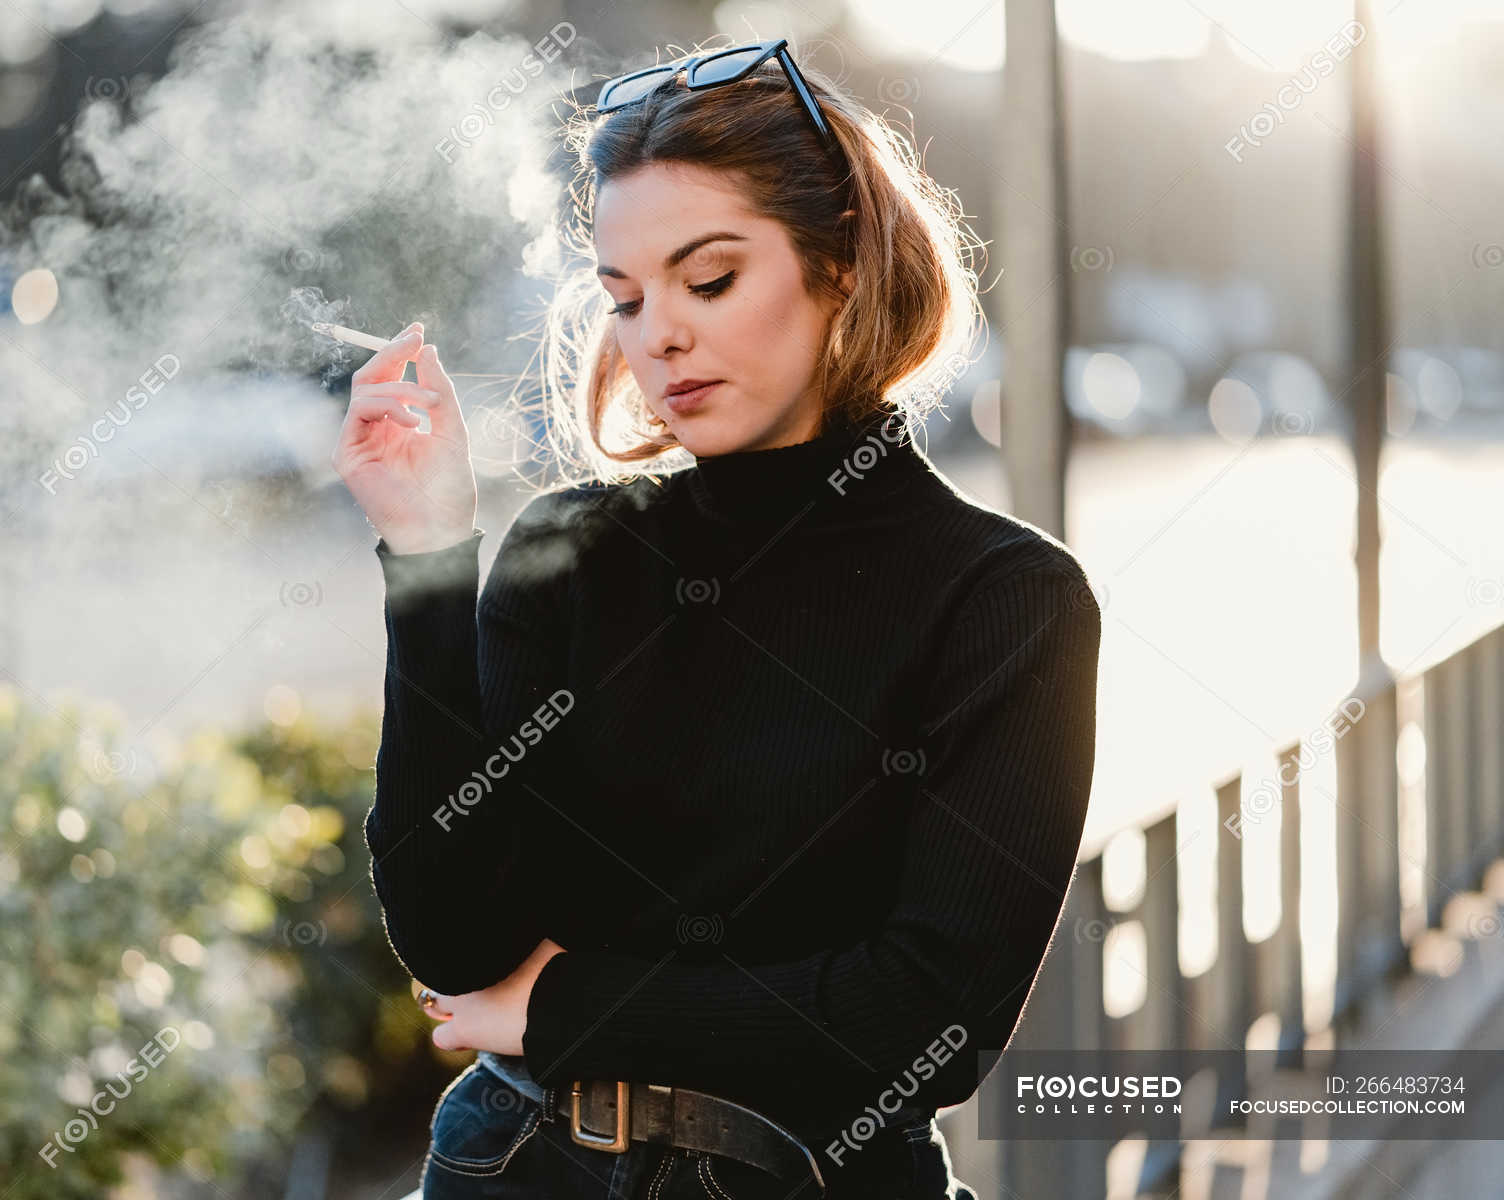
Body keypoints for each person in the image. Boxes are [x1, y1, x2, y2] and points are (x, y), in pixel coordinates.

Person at [333, 36, 1101, 1200]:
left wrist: (561, 1007)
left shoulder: (1004, 600)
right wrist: (431, 555)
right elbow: (453, 941)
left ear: (840, 264)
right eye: (626, 297)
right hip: (510, 1166)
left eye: (710, 279)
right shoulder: (569, 548)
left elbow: (926, 1024)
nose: (659, 337)